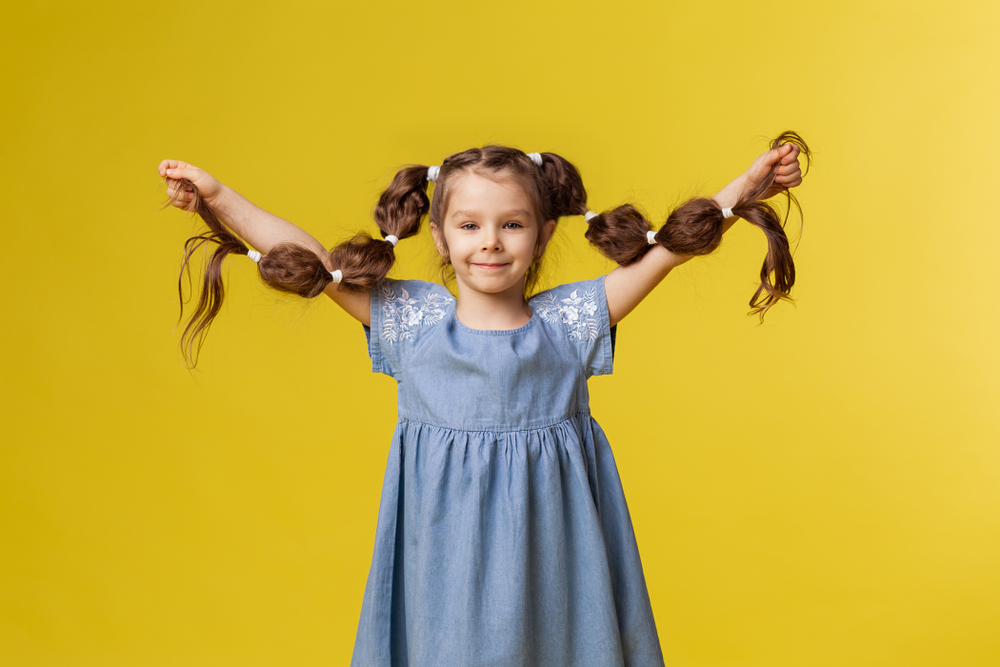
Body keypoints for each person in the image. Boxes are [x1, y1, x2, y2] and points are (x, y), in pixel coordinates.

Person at [158, 136, 807, 666]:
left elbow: (670, 248)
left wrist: (750, 184)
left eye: (511, 224)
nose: (489, 241)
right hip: (446, 567)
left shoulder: (571, 322)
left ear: (544, 233)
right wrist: (216, 197)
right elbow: (307, 255)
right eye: (469, 224)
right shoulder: (410, 321)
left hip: (559, 562)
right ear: (439, 237)